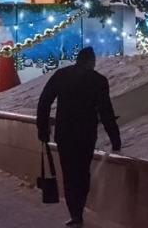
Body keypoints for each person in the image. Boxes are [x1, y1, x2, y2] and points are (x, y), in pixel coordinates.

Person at [36, 47, 121, 228]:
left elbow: (44, 101)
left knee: (69, 174)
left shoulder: (61, 75)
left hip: (64, 134)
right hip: (85, 134)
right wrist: (115, 138)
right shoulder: (98, 80)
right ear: (91, 61)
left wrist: (42, 128)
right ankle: (78, 211)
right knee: (82, 173)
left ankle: (74, 213)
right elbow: (106, 110)